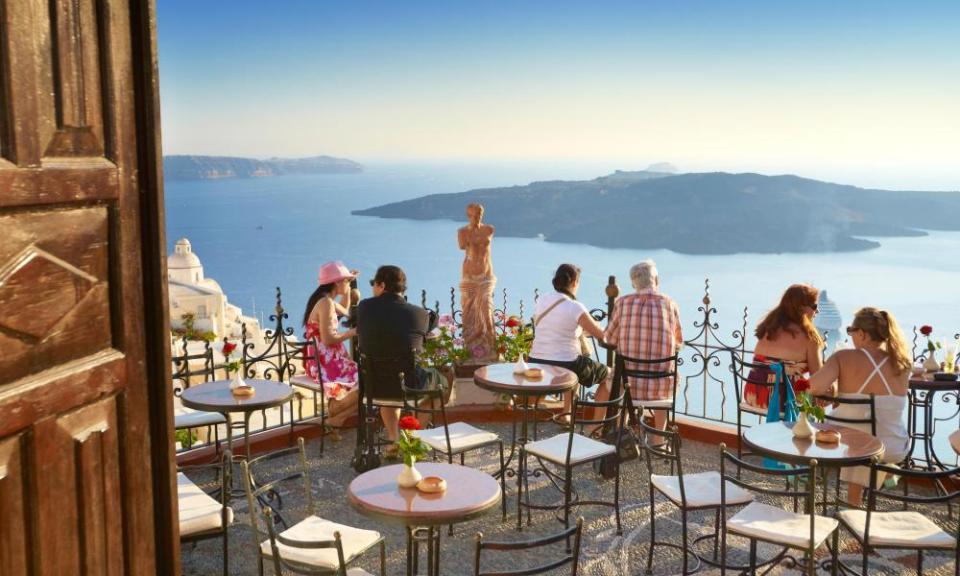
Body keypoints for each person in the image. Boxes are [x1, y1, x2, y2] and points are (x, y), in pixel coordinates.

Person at [809, 307, 911, 506]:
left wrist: (835, 391)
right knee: (867, 437)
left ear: (862, 334)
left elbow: (813, 387)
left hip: (850, 446)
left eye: (851, 330)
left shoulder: (843, 357)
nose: (851, 336)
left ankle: (851, 506)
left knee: (857, 440)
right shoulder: (903, 363)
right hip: (893, 446)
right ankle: (884, 474)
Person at [356, 265, 444, 446]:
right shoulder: (419, 314)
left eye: (374, 284)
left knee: (389, 385)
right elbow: (420, 336)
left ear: (381, 285)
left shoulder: (364, 307)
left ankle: (393, 439)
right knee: (442, 381)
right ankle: (412, 438)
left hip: (374, 384)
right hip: (408, 384)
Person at [602, 260, 683, 432]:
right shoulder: (670, 305)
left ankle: (621, 435)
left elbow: (609, 339)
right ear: (657, 280)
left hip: (628, 386)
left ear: (633, 283)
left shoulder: (622, 303)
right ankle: (659, 440)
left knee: (620, 378)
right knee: (666, 375)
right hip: (661, 387)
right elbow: (678, 343)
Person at [527, 264, 608, 418]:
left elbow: (556, 326)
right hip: (566, 364)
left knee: (572, 361)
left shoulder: (542, 300)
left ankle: (566, 412)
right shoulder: (574, 306)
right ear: (574, 283)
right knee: (609, 375)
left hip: (536, 360)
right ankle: (595, 425)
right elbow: (600, 334)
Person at [745, 284, 824, 411]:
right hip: (784, 401)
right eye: (814, 306)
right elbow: (818, 378)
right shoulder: (809, 337)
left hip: (754, 395)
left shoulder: (768, 329)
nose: (817, 311)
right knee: (826, 392)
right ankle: (810, 429)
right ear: (801, 307)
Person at [302, 261, 360, 430]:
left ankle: (336, 419)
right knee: (369, 379)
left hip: (321, 359)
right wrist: (353, 332)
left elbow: (345, 308)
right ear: (337, 282)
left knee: (370, 381)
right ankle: (337, 407)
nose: (348, 283)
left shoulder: (326, 301)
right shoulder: (326, 303)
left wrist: (349, 286)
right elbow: (328, 339)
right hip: (325, 362)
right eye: (346, 281)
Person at [458, 203, 497, 362]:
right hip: (469, 276)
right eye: (474, 214)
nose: (478, 216)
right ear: (469, 215)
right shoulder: (462, 232)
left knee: (486, 310)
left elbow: (488, 255)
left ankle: (488, 347)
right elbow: (462, 248)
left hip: (486, 275)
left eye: (480, 213)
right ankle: (471, 347)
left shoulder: (489, 229)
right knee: (469, 313)